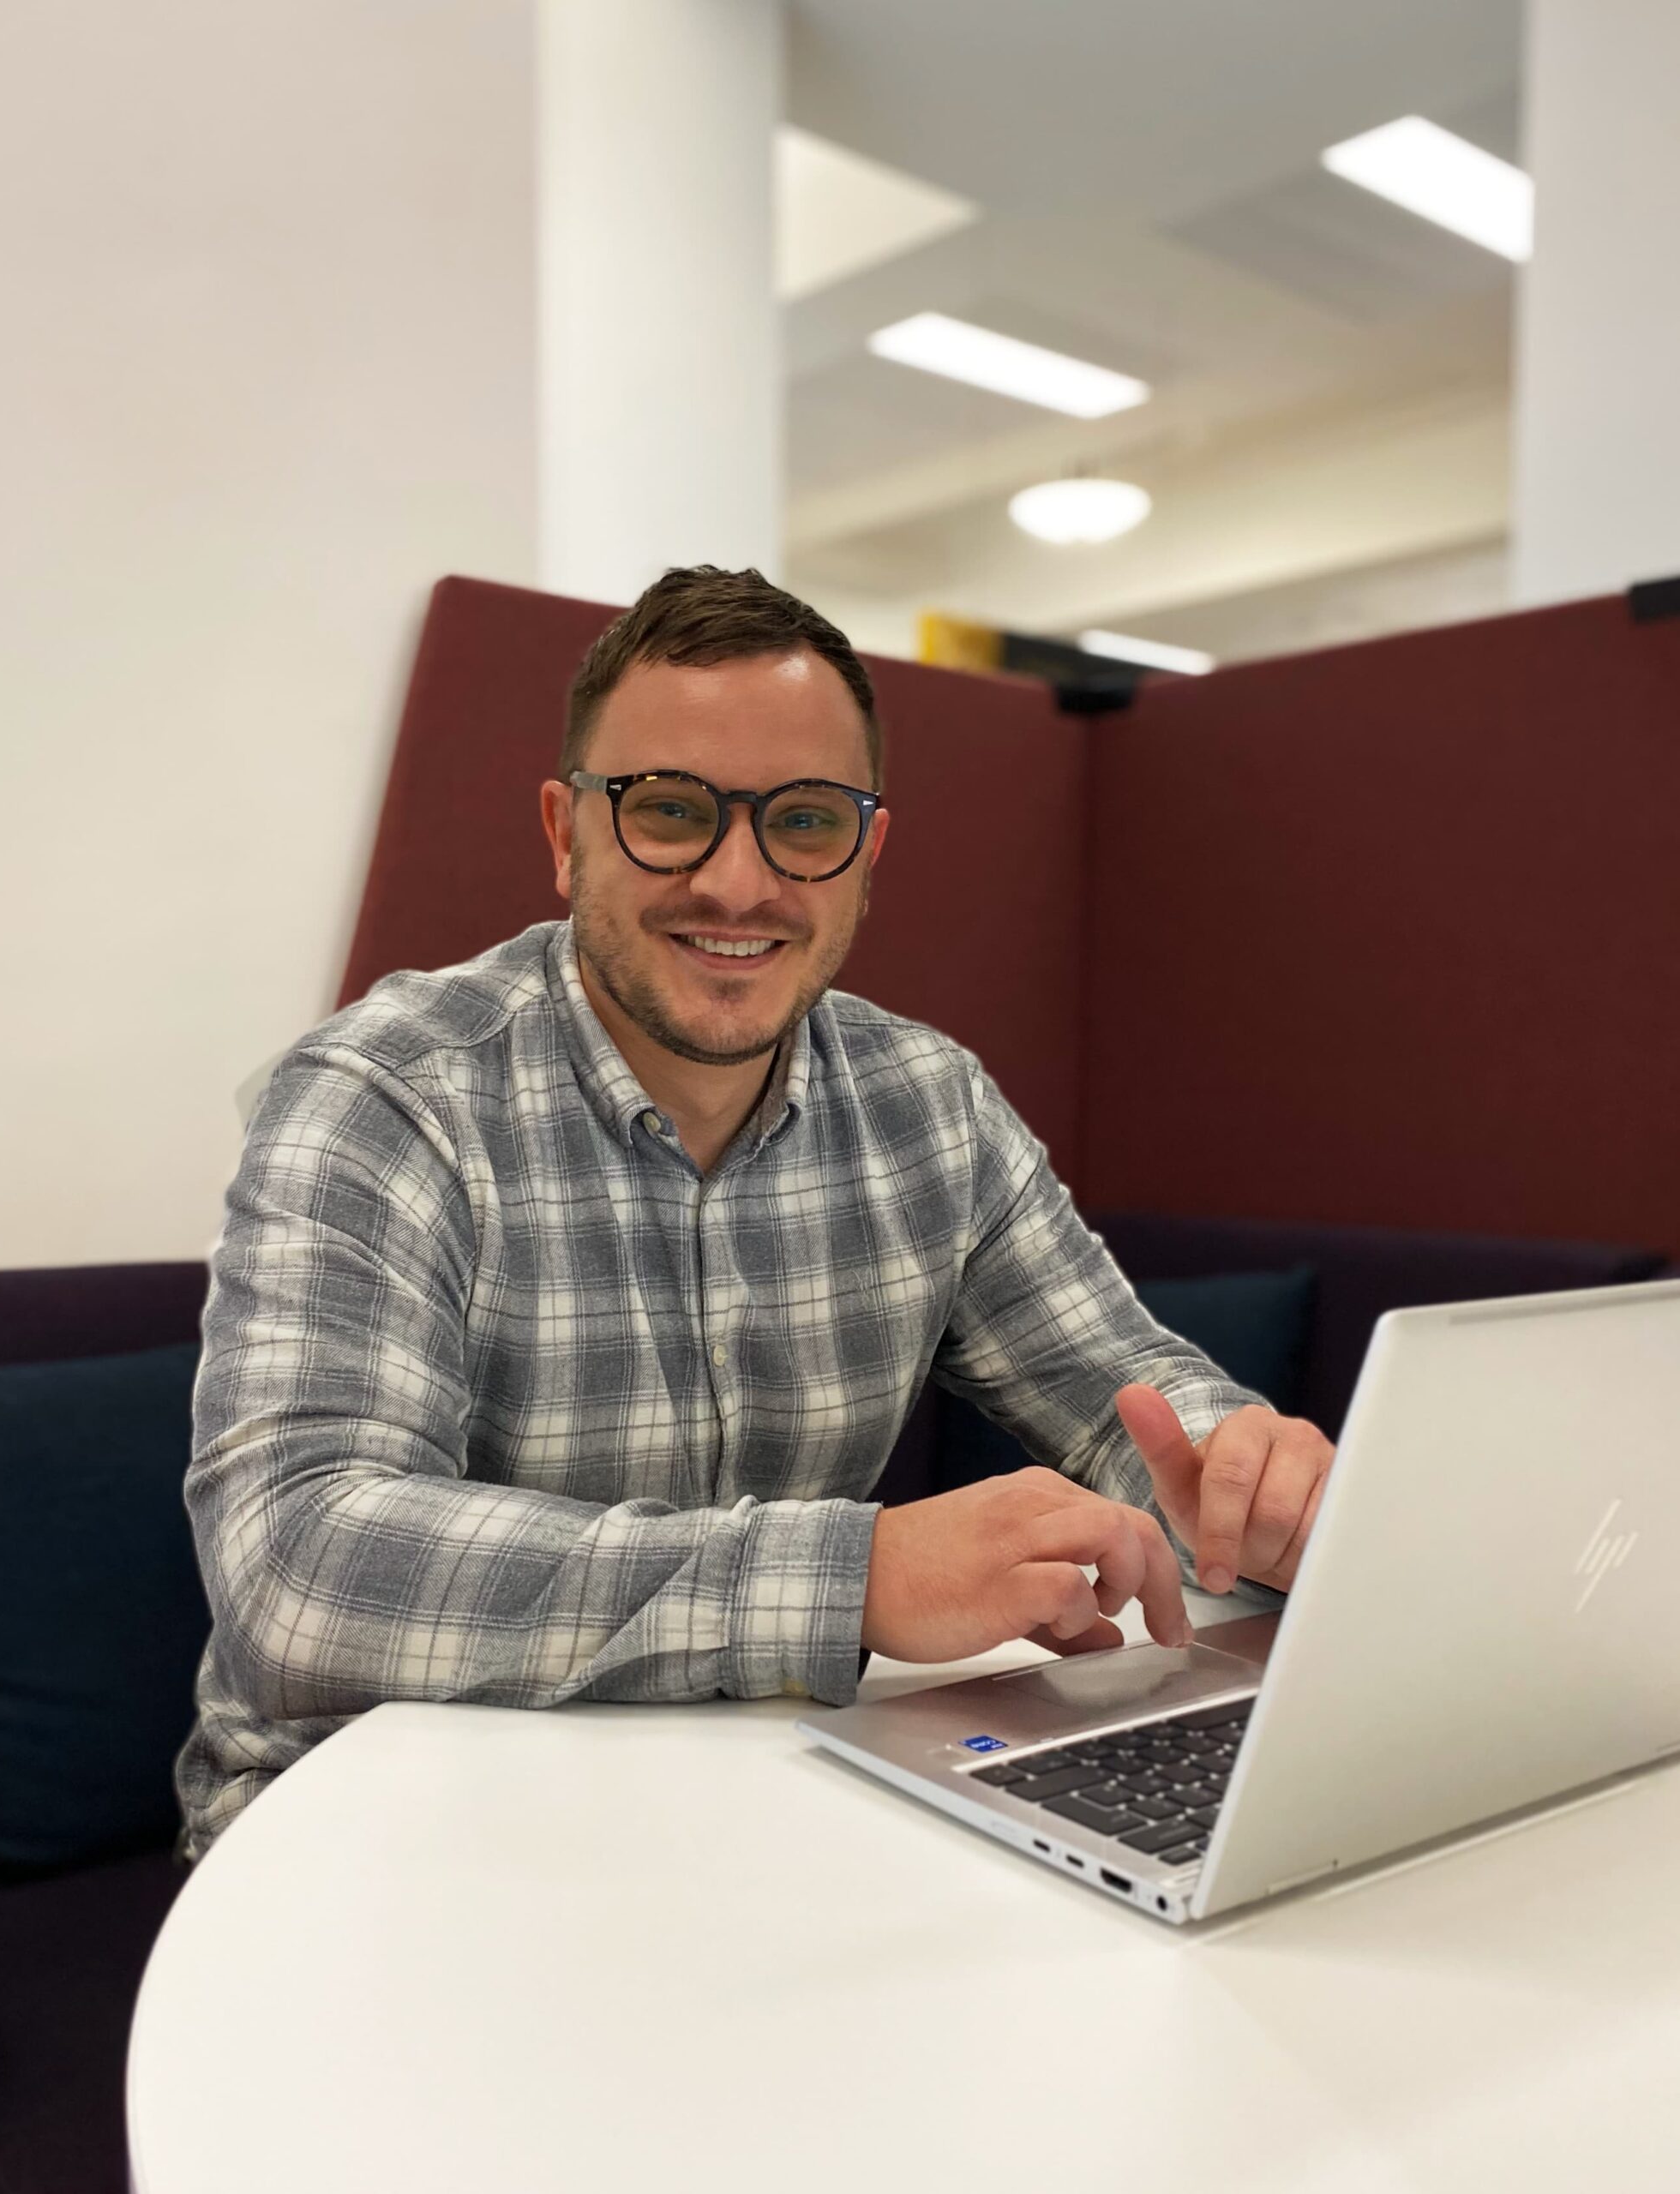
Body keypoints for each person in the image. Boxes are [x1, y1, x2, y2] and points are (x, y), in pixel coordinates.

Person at [176, 565, 1335, 1861]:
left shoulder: (930, 1106)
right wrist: (855, 1580)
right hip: (373, 1823)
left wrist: (1244, 1474)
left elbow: (1124, 1388)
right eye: (669, 810)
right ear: (566, 833)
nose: (738, 883)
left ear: (865, 854)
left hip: (743, 1791)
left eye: (803, 820)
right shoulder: (387, 1096)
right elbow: (300, 1563)